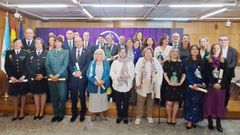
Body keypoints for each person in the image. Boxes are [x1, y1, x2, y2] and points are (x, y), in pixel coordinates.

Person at [134, 47, 163, 125]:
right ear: (144, 53)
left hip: (152, 85)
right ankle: (138, 117)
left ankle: (149, 116)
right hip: (142, 84)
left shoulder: (155, 61)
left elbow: (160, 72)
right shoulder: (140, 60)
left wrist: (159, 83)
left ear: (152, 54)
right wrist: (137, 83)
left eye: (149, 53)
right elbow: (137, 72)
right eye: (146, 53)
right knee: (140, 101)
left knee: (150, 101)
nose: (148, 54)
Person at [204, 43, 228, 132]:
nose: (216, 49)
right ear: (212, 50)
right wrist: (213, 83)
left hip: (221, 87)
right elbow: (206, 73)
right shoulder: (207, 60)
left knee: (219, 104)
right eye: (214, 48)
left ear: (220, 49)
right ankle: (210, 122)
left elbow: (226, 74)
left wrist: (220, 84)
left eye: (218, 48)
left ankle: (218, 123)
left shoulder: (224, 60)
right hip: (211, 86)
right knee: (210, 104)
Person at [45, 36, 69, 122]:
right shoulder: (50, 52)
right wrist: (51, 75)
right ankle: (56, 114)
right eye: (56, 42)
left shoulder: (65, 52)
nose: (57, 43)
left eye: (59, 42)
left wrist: (57, 75)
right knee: (54, 97)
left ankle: (61, 114)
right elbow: (47, 64)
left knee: (62, 97)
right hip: (51, 78)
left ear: (62, 43)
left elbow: (65, 65)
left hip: (61, 78)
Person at [68, 36, 91, 122]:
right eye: (76, 41)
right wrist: (73, 72)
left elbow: (88, 64)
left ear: (82, 41)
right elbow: (69, 63)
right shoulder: (71, 51)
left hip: (82, 77)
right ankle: (74, 113)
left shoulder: (87, 51)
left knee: (82, 95)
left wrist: (81, 72)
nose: (78, 43)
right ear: (74, 42)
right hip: (73, 76)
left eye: (79, 41)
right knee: (73, 96)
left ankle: (82, 113)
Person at [5, 38, 29, 121]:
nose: (17, 44)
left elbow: (27, 66)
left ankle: (22, 112)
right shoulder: (9, 53)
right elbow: (6, 66)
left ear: (21, 44)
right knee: (14, 95)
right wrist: (11, 76)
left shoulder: (25, 53)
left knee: (23, 94)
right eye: (16, 42)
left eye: (19, 42)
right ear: (13, 44)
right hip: (13, 78)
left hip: (23, 78)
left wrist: (24, 76)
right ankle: (15, 112)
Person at [183, 45, 206, 129]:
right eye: (193, 49)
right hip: (190, 86)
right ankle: (189, 121)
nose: (195, 51)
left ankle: (195, 120)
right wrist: (193, 84)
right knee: (190, 103)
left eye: (196, 49)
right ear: (190, 51)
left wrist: (202, 83)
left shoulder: (202, 61)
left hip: (200, 86)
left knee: (198, 103)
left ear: (199, 51)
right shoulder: (186, 61)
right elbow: (187, 74)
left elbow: (204, 74)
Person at [110, 48, 135, 124]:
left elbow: (133, 73)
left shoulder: (130, 62)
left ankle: (125, 116)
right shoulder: (115, 62)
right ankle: (119, 115)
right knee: (118, 102)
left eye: (124, 52)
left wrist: (128, 76)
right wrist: (116, 77)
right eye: (121, 52)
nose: (123, 53)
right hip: (117, 85)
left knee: (126, 102)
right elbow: (112, 73)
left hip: (126, 85)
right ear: (119, 53)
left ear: (126, 53)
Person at [26, 38, 48, 120]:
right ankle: (37, 111)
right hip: (34, 78)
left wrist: (43, 75)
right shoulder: (30, 54)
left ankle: (41, 111)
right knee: (35, 94)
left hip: (43, 77)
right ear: (34, 45)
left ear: (42, 44)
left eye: (40, 43)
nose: (38, 45)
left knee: (43, 94)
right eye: (36, 43)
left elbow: (49, 66)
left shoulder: (47, 53)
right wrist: (34, 75)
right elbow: (27, 66)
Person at [163, 47, 186, 125]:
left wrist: (180, 83)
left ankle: (173, 118)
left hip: (178, 85)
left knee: (176, 102)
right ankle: (169, 117)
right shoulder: (166, 62)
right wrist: (169, 82)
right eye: (173, 51)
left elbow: (184, 74)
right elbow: (165, 74)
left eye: (176, 51)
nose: (174, 53)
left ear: (178, 53)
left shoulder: (182, 63)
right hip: (168, 85)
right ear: (170, 53)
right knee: (169, 102)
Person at [86, 49, 110, 121]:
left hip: (103, 84)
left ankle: (101, 113)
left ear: (102, 55)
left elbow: (108, 73)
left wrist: (103, 81)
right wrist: (94, 81)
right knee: (94, 99)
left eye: (99, 54)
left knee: (102, 99)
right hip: (94, 85)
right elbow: (88, 74)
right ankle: (93, 114)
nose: (98, 55)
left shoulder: (106, 63)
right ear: (94, 55)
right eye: (96, 54)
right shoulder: (92, 63)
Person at [218, 35, 238, 107]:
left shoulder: (234, 50)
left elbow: (233, 63)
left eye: (225, 39)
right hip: (216, 74)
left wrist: (224, 70)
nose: (223, 41)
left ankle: (224, 104)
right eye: (221, 40)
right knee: (217, 89)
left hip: (228, 74)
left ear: (228, 41)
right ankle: (217, 104)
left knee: (226, 89)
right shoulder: (216, 49)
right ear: (219, 41)